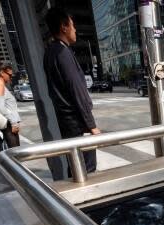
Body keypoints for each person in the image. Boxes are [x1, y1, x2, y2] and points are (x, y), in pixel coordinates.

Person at [44, 7, 100, 175]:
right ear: (64, 26)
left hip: (66, 122)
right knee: (86, 169)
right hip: (76, 123)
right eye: (73, 25)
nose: (75, 30)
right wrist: (92, 126)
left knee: (75, 166)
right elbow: (76, 89)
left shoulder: (50, 52)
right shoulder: (63, 52)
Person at [0, 62, 21, 147]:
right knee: (15, 153)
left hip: (9, 124)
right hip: (8, 125)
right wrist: (13, 123)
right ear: (2, 73)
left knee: (14, 153)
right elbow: (1, 107)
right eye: (10, 75)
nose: (11, 77)